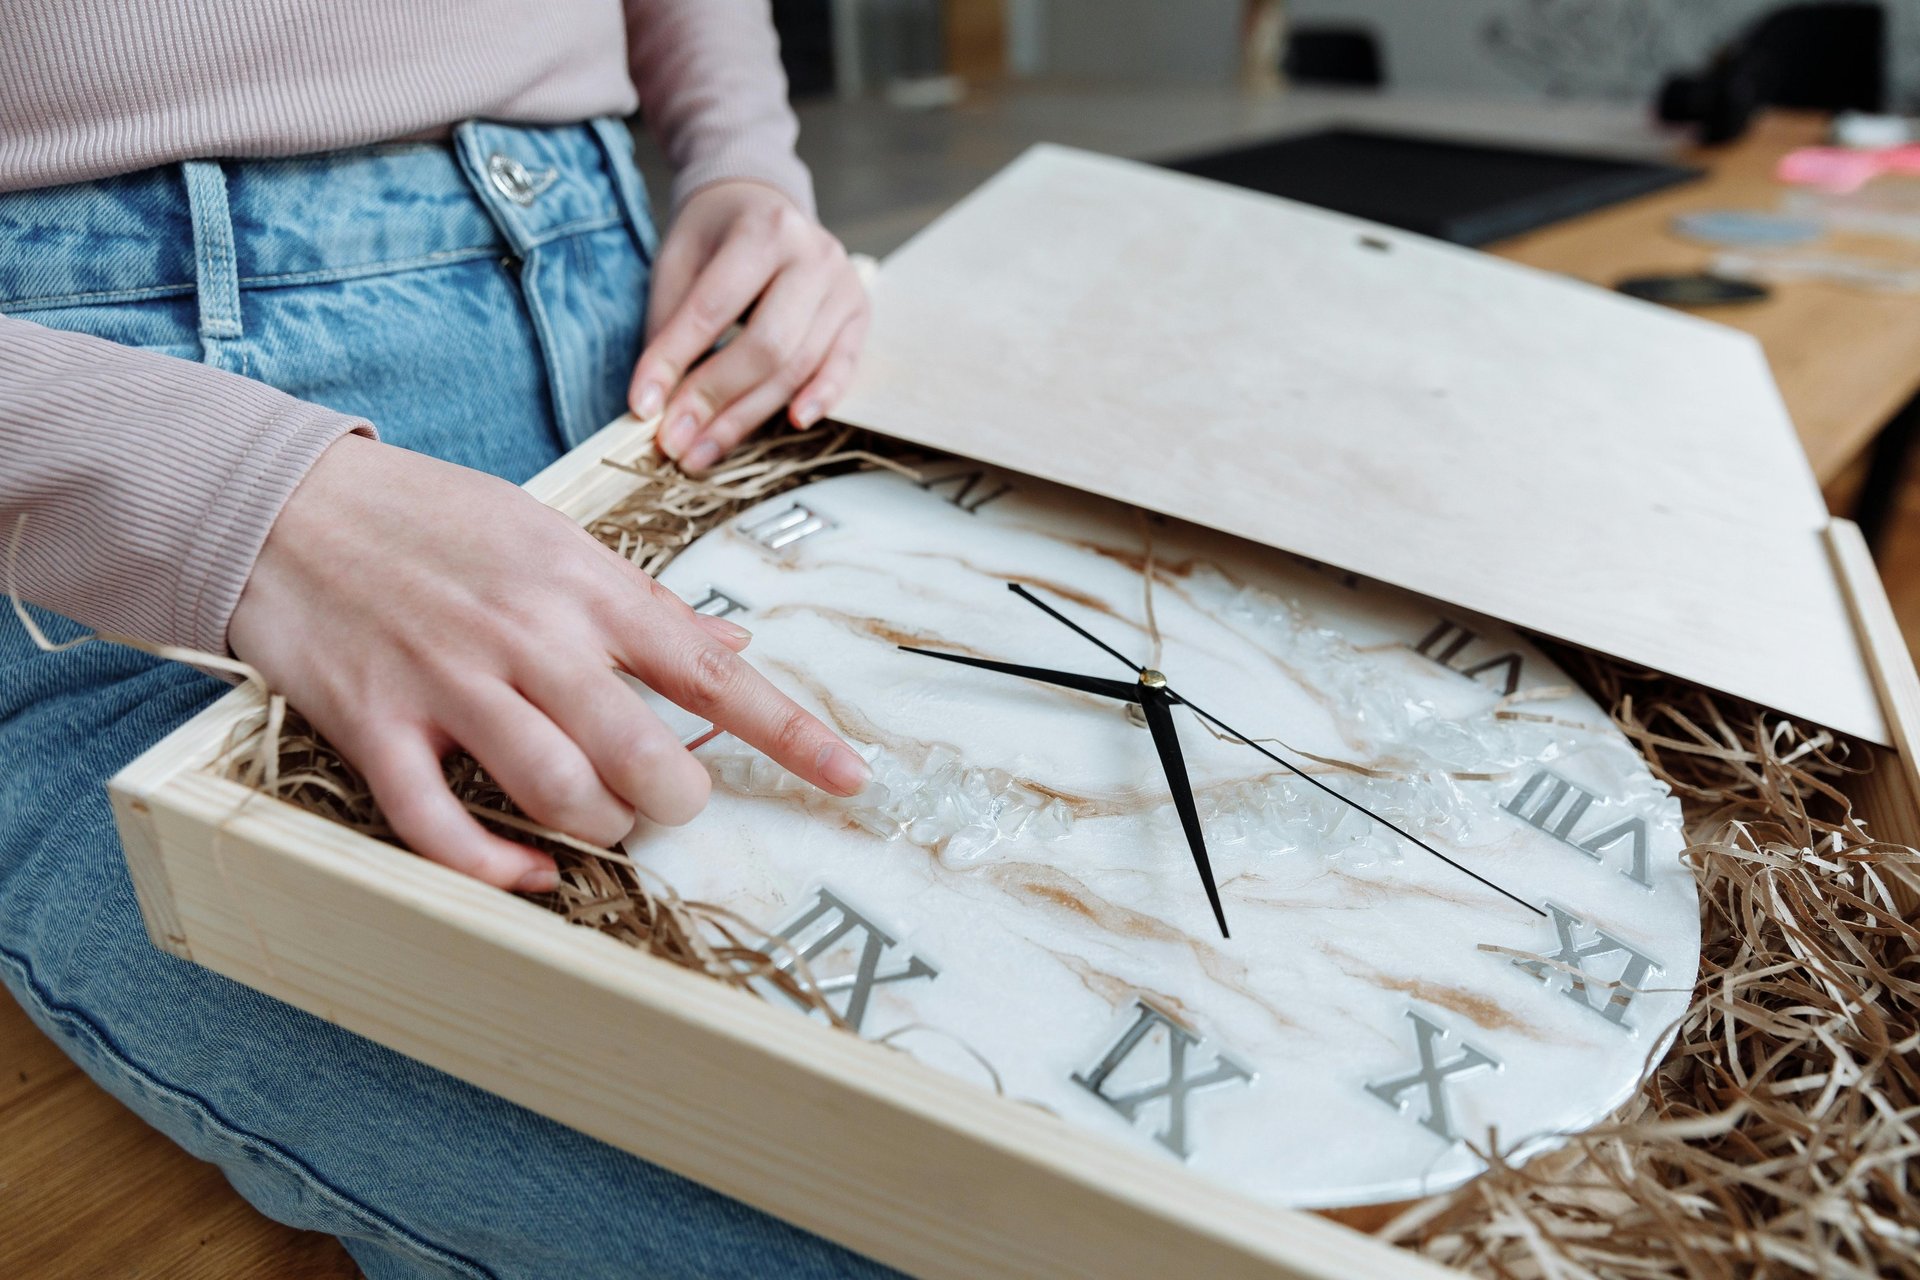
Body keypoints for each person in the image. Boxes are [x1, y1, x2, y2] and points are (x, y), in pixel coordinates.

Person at [0, 3, 897, 1275]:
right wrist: (248, 501)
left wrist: (744, 163)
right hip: (104, 443)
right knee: (830, 1213)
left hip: (625, 307)